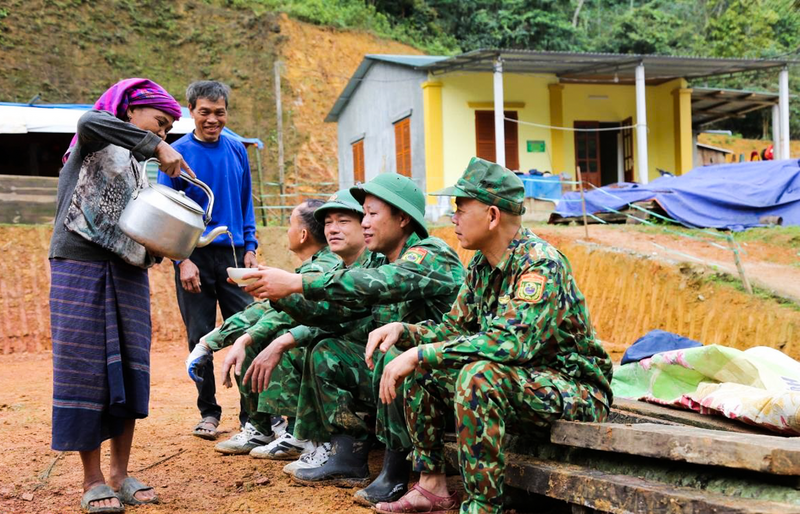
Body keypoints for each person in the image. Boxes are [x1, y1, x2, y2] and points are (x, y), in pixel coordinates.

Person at [367, 157, 614, 514]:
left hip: (575, 389)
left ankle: (484, 507)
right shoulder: (482, 266)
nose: (453, 217)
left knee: (477, 375)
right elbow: (452, 331)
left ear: (493, 216)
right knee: (425, 366)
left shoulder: (540, 263)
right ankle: (432, 487)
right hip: (524, 383)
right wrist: (407, 334)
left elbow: (510, 342)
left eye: (461, 208)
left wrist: (421, 353)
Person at [242, 173, 465, 506]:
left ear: (403, 218)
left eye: (372, 214)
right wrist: (278, 292)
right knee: (329, 352)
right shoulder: (381, 261)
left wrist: (298, 283)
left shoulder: (431, 255)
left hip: (443, 385)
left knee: (394, 355)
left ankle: (394, 472)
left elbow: (381, 282)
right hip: (404, 383)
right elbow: (335, 312)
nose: (365, 224)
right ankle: (348, 455)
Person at [50, 79, 190, 513]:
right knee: (85, 368)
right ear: (131, 111)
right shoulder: (93, 137)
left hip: (127, 271)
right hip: (78, 265)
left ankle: (120, 472)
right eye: (160, 121)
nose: (163, 132)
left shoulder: (135, 166)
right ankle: (92, 479)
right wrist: (156, 146)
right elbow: (88, 118)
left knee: (130, 366)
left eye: (168, 128)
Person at [236, 189, 381, 469]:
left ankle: (319, 441)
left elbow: (343, 316)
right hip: (372, 357)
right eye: (328, 223)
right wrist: (274, 296)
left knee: (323, 350)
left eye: (343, 221)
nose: (332, 230)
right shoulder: (339, 267)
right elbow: (329, 314)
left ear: (365, 225)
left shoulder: (375, 265)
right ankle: (309, 437)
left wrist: (283, 330)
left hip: (389, 360)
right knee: (300, 342)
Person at [185, 198, 336, 455]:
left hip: (334, 346)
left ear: (302, 234)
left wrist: (230, 339)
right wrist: (210, 341)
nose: (287, 231)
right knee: (259, 338)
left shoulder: (323, 267)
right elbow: (266, 310)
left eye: (290, 224)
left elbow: (279, 316)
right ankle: (260, 427)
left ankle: (298, 431)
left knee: (283, 340)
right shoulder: (312, 265)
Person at [158, 80, 258, 440]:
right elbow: (166, 216)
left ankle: (253, 417)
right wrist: (181, 260)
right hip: (193, 255)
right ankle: (209, 412)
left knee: (248, 332)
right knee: (199, 337)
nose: (212, 119)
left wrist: (251, 245)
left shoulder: (236, 149)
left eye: (219, 112)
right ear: (191, 112)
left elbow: (247, 200)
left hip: (233, 252)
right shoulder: (175, 154)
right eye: (205, 112)